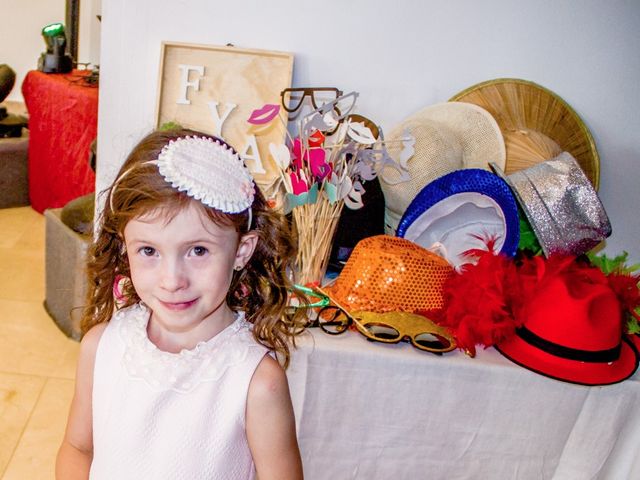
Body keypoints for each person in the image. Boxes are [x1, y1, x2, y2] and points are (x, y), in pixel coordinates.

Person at [56, 128, 305, 479]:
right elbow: (78, 448)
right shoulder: (102, 347)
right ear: (124, 247)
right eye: (149, 251)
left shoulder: (256, 382)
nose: (172, 280)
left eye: (198, 250)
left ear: (241, 251)